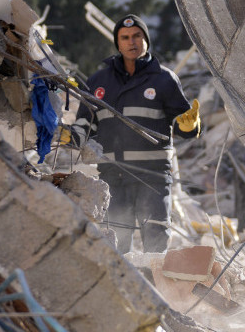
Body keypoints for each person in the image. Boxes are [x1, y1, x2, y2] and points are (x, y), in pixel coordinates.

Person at [68, 14, 200, 254]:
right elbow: (85, 125)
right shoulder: (98, 81)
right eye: (125, 37)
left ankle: (158, 290)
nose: (132, 42)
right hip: (112, 176)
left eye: (137, 36)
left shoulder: (164, 80)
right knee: (115, 242)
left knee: (155, 237)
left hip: (152, 177)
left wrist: (190, 125)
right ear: (118, 43)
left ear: (146, 40)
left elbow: (184, 127)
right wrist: (69, 136)